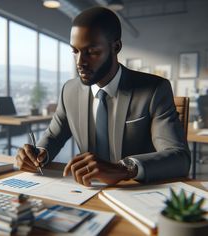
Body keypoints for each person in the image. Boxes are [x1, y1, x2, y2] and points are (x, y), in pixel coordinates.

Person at [16, 7, 191, 186]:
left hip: (135, 190)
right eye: (75, 51)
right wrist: (37, 154)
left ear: (116, 47)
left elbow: (179, 157)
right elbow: (53, 137)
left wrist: (125, 168)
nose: (79, 62)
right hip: (86, 190)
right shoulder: (69, 91)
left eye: (91, 52)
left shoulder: (154, 90)